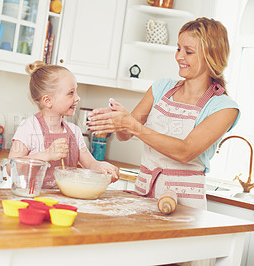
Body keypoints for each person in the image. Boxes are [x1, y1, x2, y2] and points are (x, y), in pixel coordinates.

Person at [87, 17, 240, 210]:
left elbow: (185, 152)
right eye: (178, 49)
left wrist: (131, 125)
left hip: (185, 205)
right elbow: (125, 135)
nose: (179, 57)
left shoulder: (224, 108)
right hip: (144, 192)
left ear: (212, 56)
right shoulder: (162, 87)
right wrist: (120, 120)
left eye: (188, 52)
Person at [8, 61, 119, 189]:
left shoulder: (74, 132)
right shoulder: (29, 128)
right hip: (34, 201)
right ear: (48, 101)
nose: (77, 98)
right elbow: (11, 168)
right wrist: (46, 154)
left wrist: (101, 166)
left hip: (64, 203)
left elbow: (89, 163)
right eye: (71, 93)